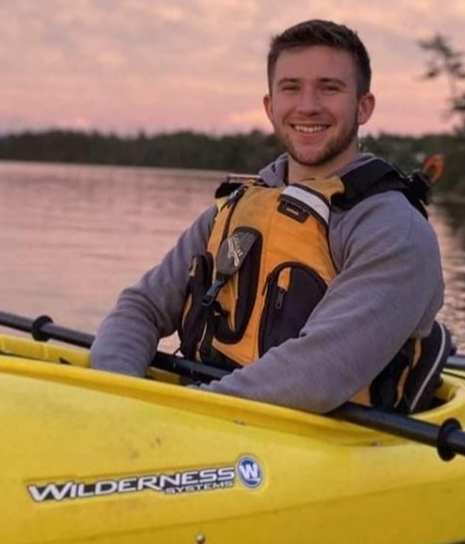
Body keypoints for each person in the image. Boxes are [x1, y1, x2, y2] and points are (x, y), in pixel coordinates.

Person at [88, 19, 446, 414]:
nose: (308, 105)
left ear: (363, 107)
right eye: (291, 88)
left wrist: (177, 417)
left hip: (325, 446)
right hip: (208, 419)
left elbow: (318, 373)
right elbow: (141, 308)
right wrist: (118, 397)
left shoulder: (394, 229)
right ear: (270, 106)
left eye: (329, 87)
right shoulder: (238, 206)